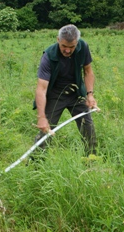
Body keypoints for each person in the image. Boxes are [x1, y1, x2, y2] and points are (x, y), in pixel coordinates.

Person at [33, 24, 98, 156]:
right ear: (58, 40)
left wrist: (90, 95)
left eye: (71, 47)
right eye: (64, 46)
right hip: (55, 94)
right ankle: (35, 164)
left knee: (88, 129)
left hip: (76, 93)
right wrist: (41, 117)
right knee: (46, 132)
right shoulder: (49, 56)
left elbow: (88, 71)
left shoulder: (83, 47)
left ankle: (91, 161)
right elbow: (41, 88)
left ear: (77, 43)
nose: (67, 50)